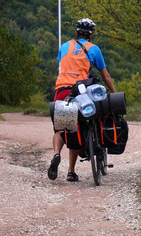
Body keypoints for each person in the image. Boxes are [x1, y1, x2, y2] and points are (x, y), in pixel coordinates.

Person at [48, 18, 116, 182]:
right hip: (82, 91)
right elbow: (105, 76)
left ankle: (57, 154)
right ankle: (71, 171)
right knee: (81, 124)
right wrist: (113, 93)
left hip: (63, 90)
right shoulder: (94, 49)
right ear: (91, 35)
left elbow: (62, 65)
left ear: (77, 33)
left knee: (63, 128)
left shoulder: (65, 46)